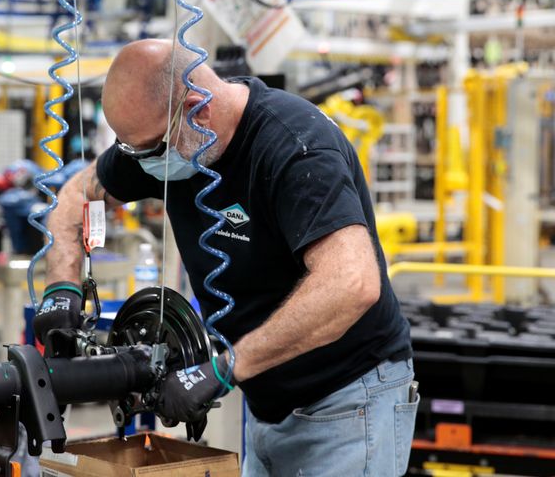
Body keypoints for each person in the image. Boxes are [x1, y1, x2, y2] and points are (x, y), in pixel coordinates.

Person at [33, 39, 417, 476]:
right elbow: (76, 196)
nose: (144, 164)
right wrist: (61, 289)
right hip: (269, 398)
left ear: (199, 109)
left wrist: (226, 365)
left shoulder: (295, 147)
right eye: (132, 151)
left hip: (349, 399)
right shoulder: (167, 141)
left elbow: (353, 285)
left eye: (151, 151)